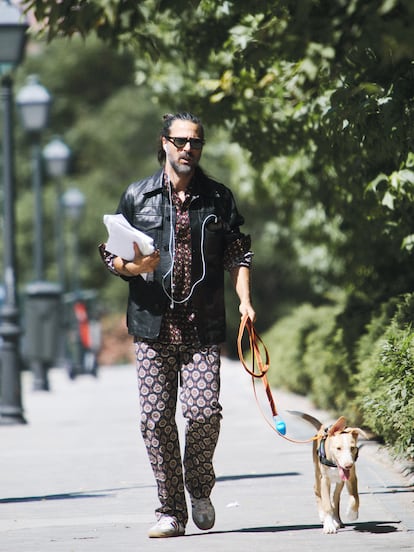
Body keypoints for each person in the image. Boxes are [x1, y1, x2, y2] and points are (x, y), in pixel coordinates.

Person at [100, 112, 255, 538]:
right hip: (152, 327)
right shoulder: (138, 195)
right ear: (165, 143)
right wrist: (135, 265)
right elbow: (111, 256)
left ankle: (199, 485)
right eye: (181, 141)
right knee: (155, 419)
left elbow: (238, 251)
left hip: (203, 326)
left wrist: (244, 300)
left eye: (197, 143)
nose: (189, 149)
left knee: (204, 413)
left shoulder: (218, 198)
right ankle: (170, 509)